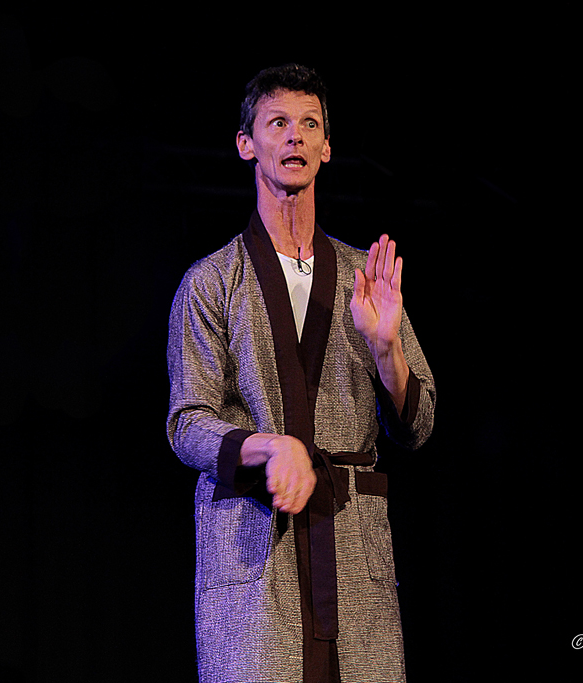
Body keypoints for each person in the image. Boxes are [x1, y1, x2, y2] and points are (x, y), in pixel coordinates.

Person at [166, 63, 435, 683]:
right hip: (257, 559)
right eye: (277, 123)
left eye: (308, 124)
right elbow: (188, 424)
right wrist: (270, 447)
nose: (294, 137)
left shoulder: (367, 277)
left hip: (353, 553)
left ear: (327, 146)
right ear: (246, 144)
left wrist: (385, 347)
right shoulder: (211, 283)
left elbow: (418, 424)